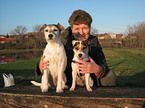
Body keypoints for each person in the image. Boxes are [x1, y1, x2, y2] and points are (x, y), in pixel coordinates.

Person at [35, 9, 117, 88]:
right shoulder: (62, 41)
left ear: (90, 28)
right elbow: (48, 62)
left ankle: (105, 99)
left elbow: (104, 64)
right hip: (67, 81)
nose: (81, 33)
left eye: (84, 28)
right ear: (71, 29)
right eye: (77, 29)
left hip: (89, 81)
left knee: (110, 76)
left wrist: (97, 69)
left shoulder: (93, 41)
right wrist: (40, 67)